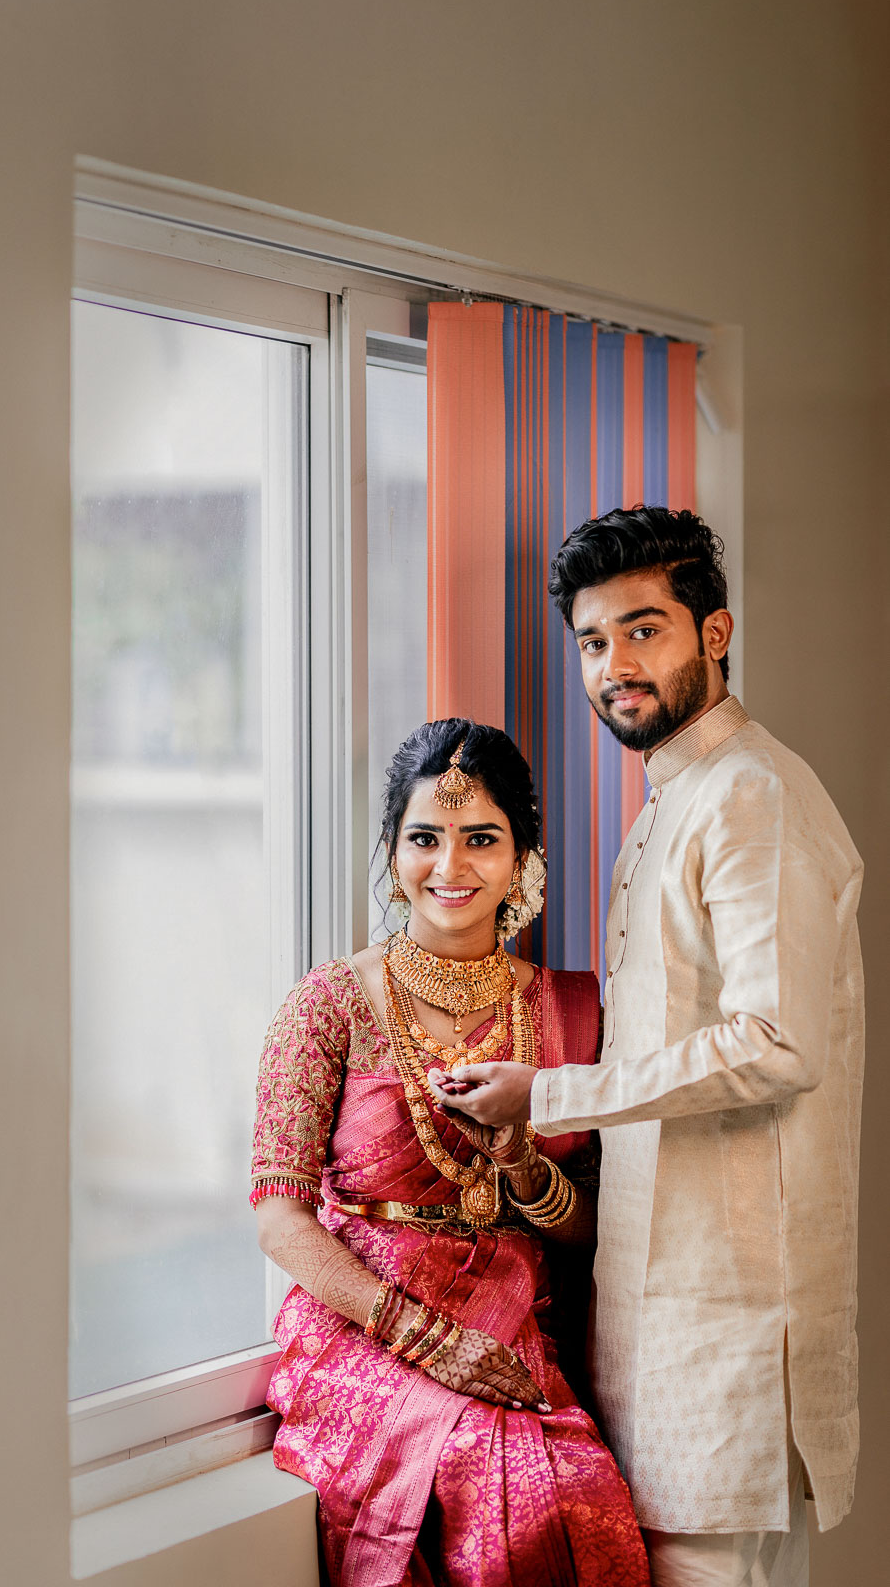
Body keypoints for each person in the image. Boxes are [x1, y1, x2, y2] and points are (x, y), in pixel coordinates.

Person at [432, 507, 863, 1587]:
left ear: (713, 633)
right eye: (592, 641)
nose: (614, 665)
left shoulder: (750, 797)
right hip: (666, 1327)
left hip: (728, 1328)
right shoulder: (676, 798)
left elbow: (775, 1043)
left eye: (642, 629)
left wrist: (547, 1093)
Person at [251, 718, 650, 1587]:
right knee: (483, 1481)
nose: (450, 865)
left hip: (510, 1321)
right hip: (366, 1327)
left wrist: (522, 1166)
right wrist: (425, 1339)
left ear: (522, 857)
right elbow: (279, 1219)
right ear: (392, 851)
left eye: (481, 839)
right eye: (424, 837)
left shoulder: (573, 1011)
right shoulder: (326, 1004)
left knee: (577, 1500)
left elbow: (598, 1225)